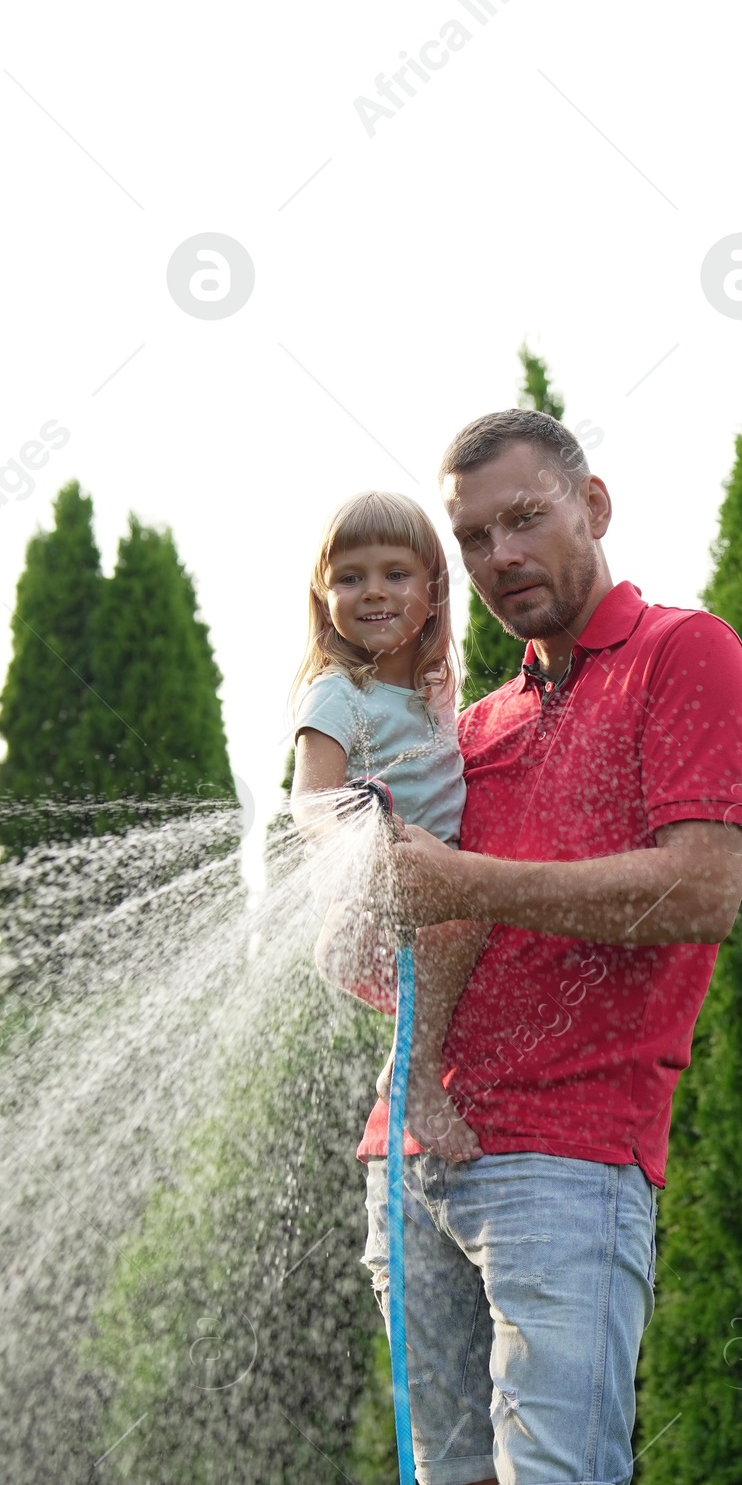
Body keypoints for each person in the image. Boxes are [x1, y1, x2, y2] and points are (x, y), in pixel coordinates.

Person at [360, 410, 742, 1485]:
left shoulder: (687, 659)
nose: (502, 557)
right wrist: (369, 926)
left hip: (570, 1156)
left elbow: (696, 886)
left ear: (593, 502)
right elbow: (417, 954)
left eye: (526, 520)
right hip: (423, 1151)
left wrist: (468, 890)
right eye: (477, 539)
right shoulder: (476, 727)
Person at [290, 490, 488, 1159]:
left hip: (417, 903)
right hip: (370, 908)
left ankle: (416, 1061)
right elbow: (310, 803)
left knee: (464, 963)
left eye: (394, 574)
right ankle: (414, 1079)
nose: (373, 592)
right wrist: (366, 848)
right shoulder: (339, 694)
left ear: (432, 591)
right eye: (350, 578)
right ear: (325, 598)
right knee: (473, 909)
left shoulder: (434, 690)